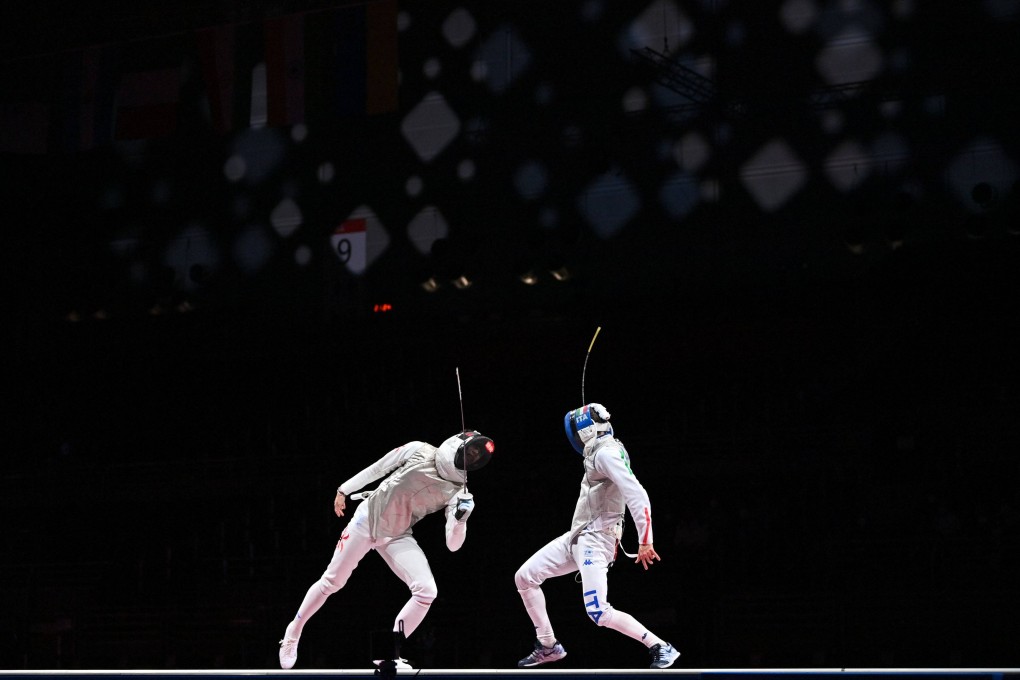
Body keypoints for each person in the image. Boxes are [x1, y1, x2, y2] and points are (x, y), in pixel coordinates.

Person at [278, 430, 495, 670]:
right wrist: (344, 490)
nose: (472, 457)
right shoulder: (419, 449)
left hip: (397, 534)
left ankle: (389, 654)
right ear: (458, 445)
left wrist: (461, 519)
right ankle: (293, 632)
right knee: (332, 582)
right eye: (471, 450)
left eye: (477, 456)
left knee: (426, 591)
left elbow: (453, 546)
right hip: (366, 521)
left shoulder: (459, 491)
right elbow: (378, 468)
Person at [514, 403, 680, 669]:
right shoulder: (600, 452)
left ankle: (661, 646)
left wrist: (645, 539)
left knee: (599, 613)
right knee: (524, 577)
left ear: (586, 431)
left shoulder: (607, 454)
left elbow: (636, 493)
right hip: (578, 536)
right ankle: (548, 645)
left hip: (597, 539)